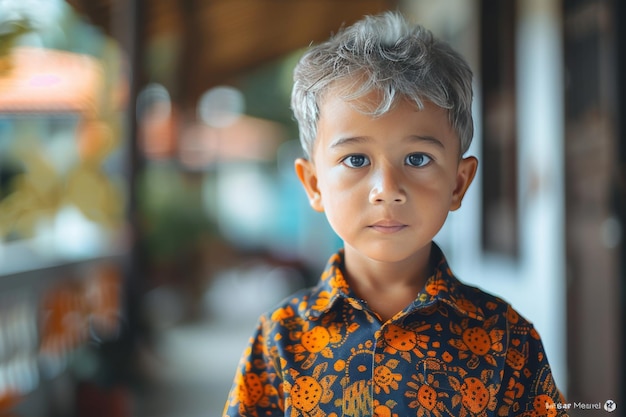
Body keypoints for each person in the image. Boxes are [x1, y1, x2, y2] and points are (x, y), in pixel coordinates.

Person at [223, 11, 566, 417]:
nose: (387, 190)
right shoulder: (281, 340)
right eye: (355, 159)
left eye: (417, 158)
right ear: (313, 184)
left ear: (458, 183)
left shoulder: (508, 340)